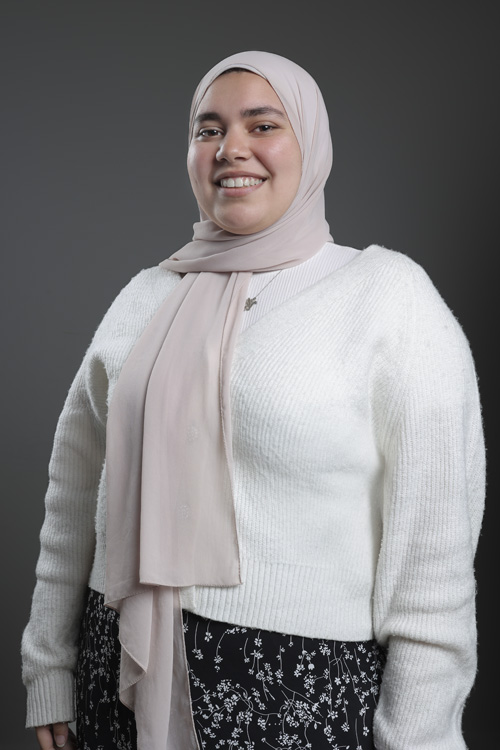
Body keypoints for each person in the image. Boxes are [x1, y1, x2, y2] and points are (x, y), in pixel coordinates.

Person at [22, 51, 485, 750]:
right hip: (117, 674)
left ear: (312, 144)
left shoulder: (388, 297)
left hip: (296, 691)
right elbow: (74, 495)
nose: (230, 148)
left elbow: (433, 563)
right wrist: (48, 665)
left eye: (262, 125)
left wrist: (419, 738)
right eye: (208, 130)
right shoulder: (146, 295)